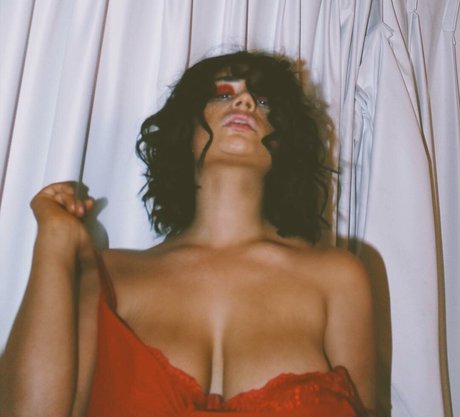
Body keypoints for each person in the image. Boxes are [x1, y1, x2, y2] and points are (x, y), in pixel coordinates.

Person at [0, 51, 375, 416]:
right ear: (184, 129)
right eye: (223, 93)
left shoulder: (338, 278)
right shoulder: (109, 275)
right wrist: (55, 240)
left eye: (262, 101)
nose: (244, 102)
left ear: (284, 140)